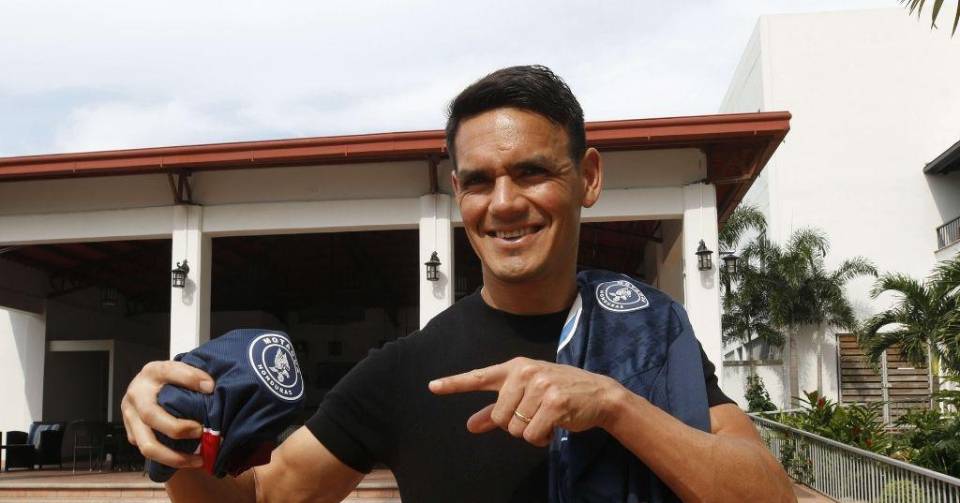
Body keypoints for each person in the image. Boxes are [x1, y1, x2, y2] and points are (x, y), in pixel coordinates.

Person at [121, 65, 796, 503]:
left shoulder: (646, 329)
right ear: (458, 193)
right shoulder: (407, 370)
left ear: (588, 177)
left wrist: (615, 405)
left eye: (531, 172)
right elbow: (263, 496)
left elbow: (768, 493)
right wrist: (177, 436)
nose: (503, 203)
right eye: (478, 181)